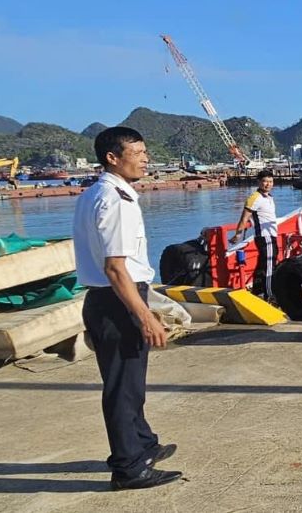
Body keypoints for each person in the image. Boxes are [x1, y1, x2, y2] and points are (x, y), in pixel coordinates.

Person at [72, 127, 181, 490]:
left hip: (105, 299)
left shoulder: (93, 194)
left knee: (129, 383)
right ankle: (129, 467)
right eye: (137, 152)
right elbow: (116, 268)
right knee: (123, 388)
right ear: (112, 158)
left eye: (145, 151)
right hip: (118, 300)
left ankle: (142, 443)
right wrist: (145, 316)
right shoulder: (116, 200)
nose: (145, 158)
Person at [230, 170, 278, 300]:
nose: (268, 184)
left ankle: (257, 292)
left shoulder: (269, 197)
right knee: (269, 266)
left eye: (270, 181)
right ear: (259, 182)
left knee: (263, 265)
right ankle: (270, 295)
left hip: (271, 235)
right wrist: (238, 234)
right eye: (265, 181)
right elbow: (244, 217)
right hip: (265, 236)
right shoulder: (255, 198)